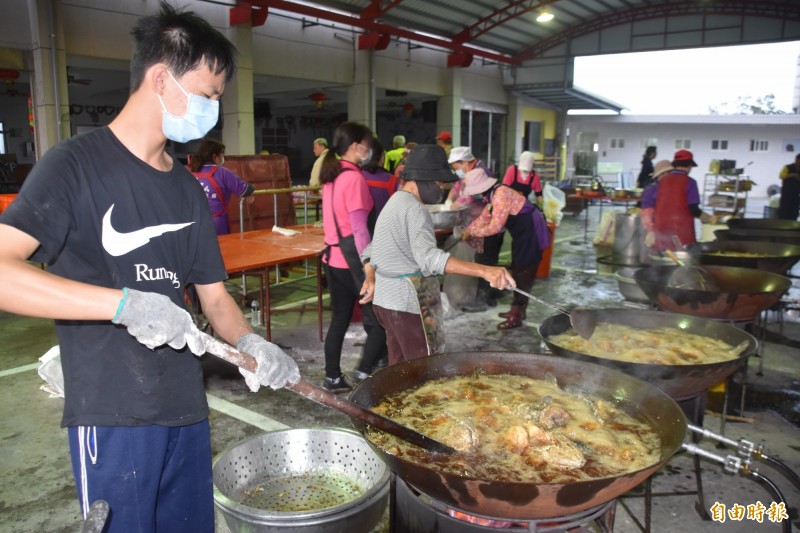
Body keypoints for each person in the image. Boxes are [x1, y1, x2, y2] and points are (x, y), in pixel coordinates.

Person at [0, 3, 300, 532]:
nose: (212, 109)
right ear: (161, 78)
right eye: (207, 95)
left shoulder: (186, 187)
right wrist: (122, 304)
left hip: (185, 409)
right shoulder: (74, 166)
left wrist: (250, 344)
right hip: (112, 413)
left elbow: (213, 297)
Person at [359, 145, 514, 364]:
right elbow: (429, 259)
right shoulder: (414, 209)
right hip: (407, 305)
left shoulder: (394, 202)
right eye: (439, 183)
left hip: (386, 303)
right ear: (423, 179)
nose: (441, 189)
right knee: (424, 367)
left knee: (399, 366)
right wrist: (485, 271)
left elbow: (370, 251)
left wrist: (371, 277)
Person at [320, 122, 387, 391]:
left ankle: (332, 377)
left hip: (332, 260)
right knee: (380, 320)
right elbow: (359, 230)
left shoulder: (332, 177)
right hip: (354, 263)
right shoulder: (354, 179)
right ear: (356, 147)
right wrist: (369, 268)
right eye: (367, 146)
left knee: (340, 319)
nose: (369, 151)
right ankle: (363, 372)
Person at [460, 167, 550, 330]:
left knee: (524, 271)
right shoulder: (493, 194)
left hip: (531, 232)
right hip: (521, 234)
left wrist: (473, 233)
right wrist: (469, 230)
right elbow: (485, 217)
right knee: (518, 267)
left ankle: (517, 315)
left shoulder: (500, 195)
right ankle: (518, 310)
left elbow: (495, 227)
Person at [446, 146, 501, 312]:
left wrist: (449, 208)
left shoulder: (481, 173)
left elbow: (468, 197)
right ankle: (482, 295)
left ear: (464, 163)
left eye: (456, 168)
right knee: (481, 259)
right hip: (477, 224)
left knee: (486, 261)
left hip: (488, 226)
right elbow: (458, 187)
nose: (457, 172)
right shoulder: (469, 172)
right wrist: (449, 200)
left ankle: (485, 299)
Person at [640, 150, 716, 251]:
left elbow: (651, 205)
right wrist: (709, 218)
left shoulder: (661, 182)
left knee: (663, 260)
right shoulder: (690, 182)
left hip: (661, 231)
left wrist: (651, 229)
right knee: (683, 261)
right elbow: (693, 209)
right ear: (689, 166)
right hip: (682, 232)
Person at [189, 138, 255, 236]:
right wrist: (252, 189)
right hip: (217, 225)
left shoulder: (190, 171)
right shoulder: (222, 173)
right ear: (215, 157)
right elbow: (244, 190)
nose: (223, 157)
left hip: (194, 223)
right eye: (221, 154)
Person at [361, 136, 398, 231]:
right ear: (381, 157)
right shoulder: (393, 181)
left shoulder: (357, 177)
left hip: (361, 232)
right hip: (386, 233)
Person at [777, 153, 800, 220]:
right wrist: (793, 175)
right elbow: (781, 176)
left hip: (796, 194)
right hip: (786, 193)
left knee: (794, 211)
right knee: (784, 210)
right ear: (796, 160)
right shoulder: (787, 167)